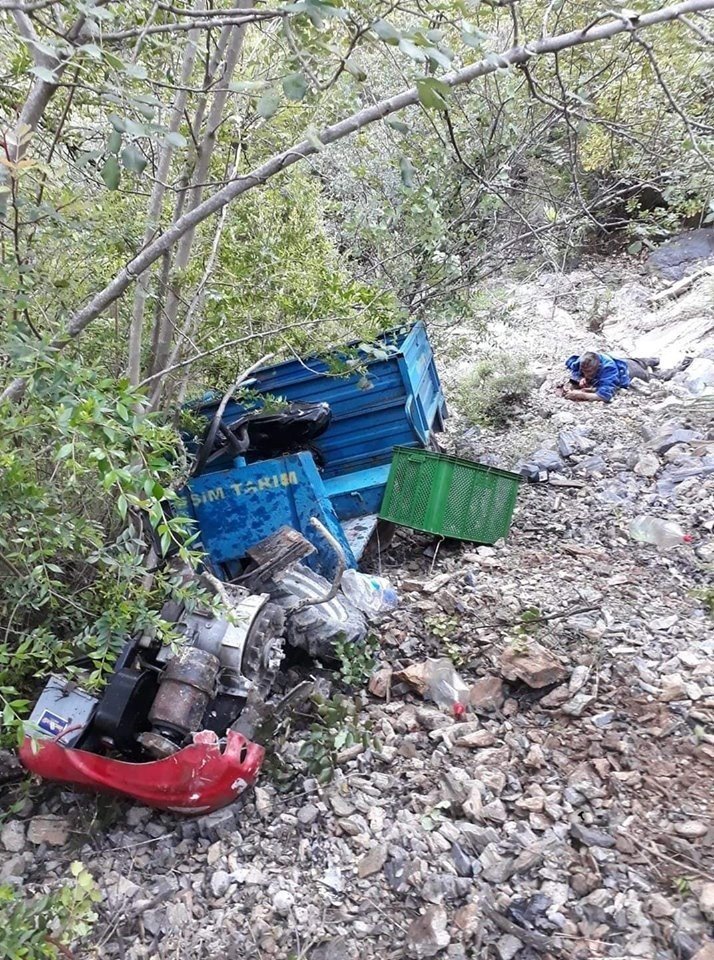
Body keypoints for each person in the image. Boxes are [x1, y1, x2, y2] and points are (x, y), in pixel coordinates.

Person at [562, 351, 660, 402]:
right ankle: (651, 360)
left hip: (629, 372)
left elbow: (605, 396)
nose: (587, 375)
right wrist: (580, 378)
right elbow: (571, 363)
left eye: (590, 372)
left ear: (599, 367)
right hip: (622, 361)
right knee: (637, 361)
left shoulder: (609, 369)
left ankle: (670, 372)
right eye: (584, 371)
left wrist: (580, 394)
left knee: (650, 376)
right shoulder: (582, 360)